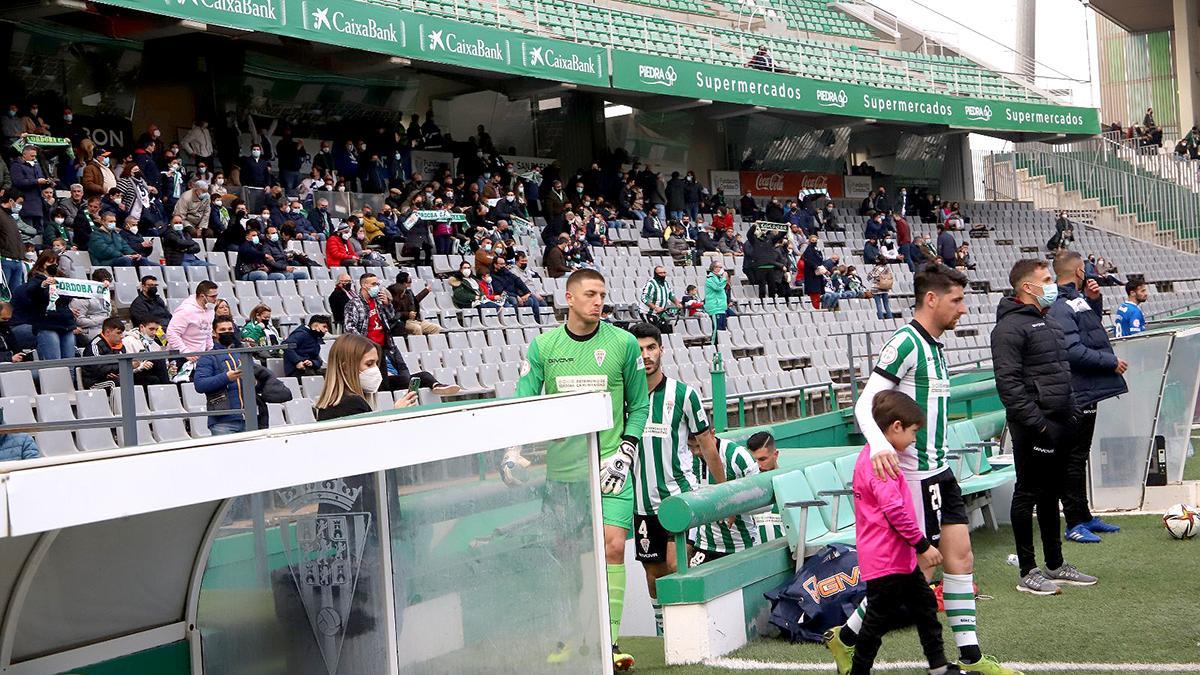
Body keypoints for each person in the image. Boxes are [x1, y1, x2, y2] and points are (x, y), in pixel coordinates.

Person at [827, 264, 1019, 675]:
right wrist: (880, 445)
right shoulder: (906, 344)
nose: (963, 309)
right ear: (931, 299)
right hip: (912, 477)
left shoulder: (936, 346)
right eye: (956, 300)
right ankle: (846, 640)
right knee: (915, 571)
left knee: (960, 559)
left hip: (942, 470)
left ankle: (971, 656)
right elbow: (865, 403)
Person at [512, 269, 650, 671]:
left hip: (612, 468)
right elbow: (524, 403)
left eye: (602, 294)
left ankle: (609, 641)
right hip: (563, 473)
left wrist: (625, 451)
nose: (598, 301)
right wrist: (512, 451)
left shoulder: (623, 344)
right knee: (566, 556)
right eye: (590, 294)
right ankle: (568, 634)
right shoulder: (543, 346)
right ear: (569, 298)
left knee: (611, 545)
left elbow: (638, 406)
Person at [991, 259, 1099, 596]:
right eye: (1047, 279)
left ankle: (1055, 564)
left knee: (1051, 493)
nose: (1052, 284)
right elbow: (1008, 385)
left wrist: (1069, 413)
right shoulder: (1008, 329)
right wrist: (1037, 424)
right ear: (1027, 287)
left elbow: (1058, 372)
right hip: (1033, 428)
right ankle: (1028, 571)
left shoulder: (1049, 321)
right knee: (1028, 493)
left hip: (1060, 421)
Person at [847, 390, 961, 675]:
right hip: (886, 559)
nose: (913, 439)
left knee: (924, 606)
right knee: (875, 622)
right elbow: (894, 511)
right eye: (912, 432)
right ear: (895, 426)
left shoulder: (879, 456)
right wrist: (923, 545)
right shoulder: (881, 462)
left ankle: (938, 667)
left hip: (897, 557)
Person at [627, 322, 722, 636]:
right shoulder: (624, 398)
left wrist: (722, 492)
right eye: (639, 349)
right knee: (653, 575)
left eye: (651, 347)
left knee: (673, 565)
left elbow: (707, 444)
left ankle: (686, 632)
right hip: (642, 504)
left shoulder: (683, 394)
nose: (646, 355)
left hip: (679, 499)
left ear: (661, 349)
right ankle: (662, 632)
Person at [1046, 251, 1128, 544]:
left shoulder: (1074, 300)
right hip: (1077, 393)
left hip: (1087, 391)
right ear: (1080, 270)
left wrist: (1094, 301)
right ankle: (1073, 522)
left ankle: (1084, 516)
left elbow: (1088, 331)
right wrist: (1109, 362)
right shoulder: (1059, 305)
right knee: (1071, 458)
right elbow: (1072, 350)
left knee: (1078, 457)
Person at [314, 333, 418, 420]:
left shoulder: (330, 405)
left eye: (376, 364)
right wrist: (396, 415)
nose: (376, 370)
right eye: (369, 364)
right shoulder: (352, 404)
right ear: (346, 368)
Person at [194, 316, 253, 435]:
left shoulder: (241, 354)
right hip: (222, 422)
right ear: (214, 333)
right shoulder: (208, 357)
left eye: (230, 329)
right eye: (223, 330)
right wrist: (226, 377)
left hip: (248, 417)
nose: (227, 332)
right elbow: (200, 384)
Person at [16, 251, 77, 360]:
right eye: (50, 262)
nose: (53, 265)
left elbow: (76, 293)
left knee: (70, 363)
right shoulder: (35, 279)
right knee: (54, 363)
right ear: (42, 263)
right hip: (47, 325)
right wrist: (43, 285)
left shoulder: (62, 279)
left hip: (65, 324)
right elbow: (30, 292)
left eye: (56, 263)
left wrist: (101, 286)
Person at [166, 280, 217, 359]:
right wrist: (186, 352)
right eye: (213, 296)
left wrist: (210, 349)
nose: (215, 299)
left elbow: (208, 332)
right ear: (202, 296)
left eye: (216, 295)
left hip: (201, 356)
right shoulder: (185, 310)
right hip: (182, 357)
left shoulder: (210, 310)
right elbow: (172, 333)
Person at [69, 269, 113, 341]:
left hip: (105, 327)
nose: (107, 288)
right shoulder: (82, 297)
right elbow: (79, 320)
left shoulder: (106, 295)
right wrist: (103, 320)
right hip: (89, 331)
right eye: (104, 285)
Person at [0, 189, 26, 293]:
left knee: (14, 298)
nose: (20, 206)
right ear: (11, 201)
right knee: (3, 297)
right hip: (4, 261)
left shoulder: (10, 217)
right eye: (19, 203)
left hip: (17, 260)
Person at [703, 260, 733, 331]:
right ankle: (715, 342)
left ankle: (722, 342)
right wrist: (724, 278)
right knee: (717, 330)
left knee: (722, 330)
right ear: (714, 268)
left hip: (721, 308)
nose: (721, 269)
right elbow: (718, 287)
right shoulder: (710, 278)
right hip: (715, 308)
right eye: (719, 267)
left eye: (721, 267)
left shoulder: (719, 278)